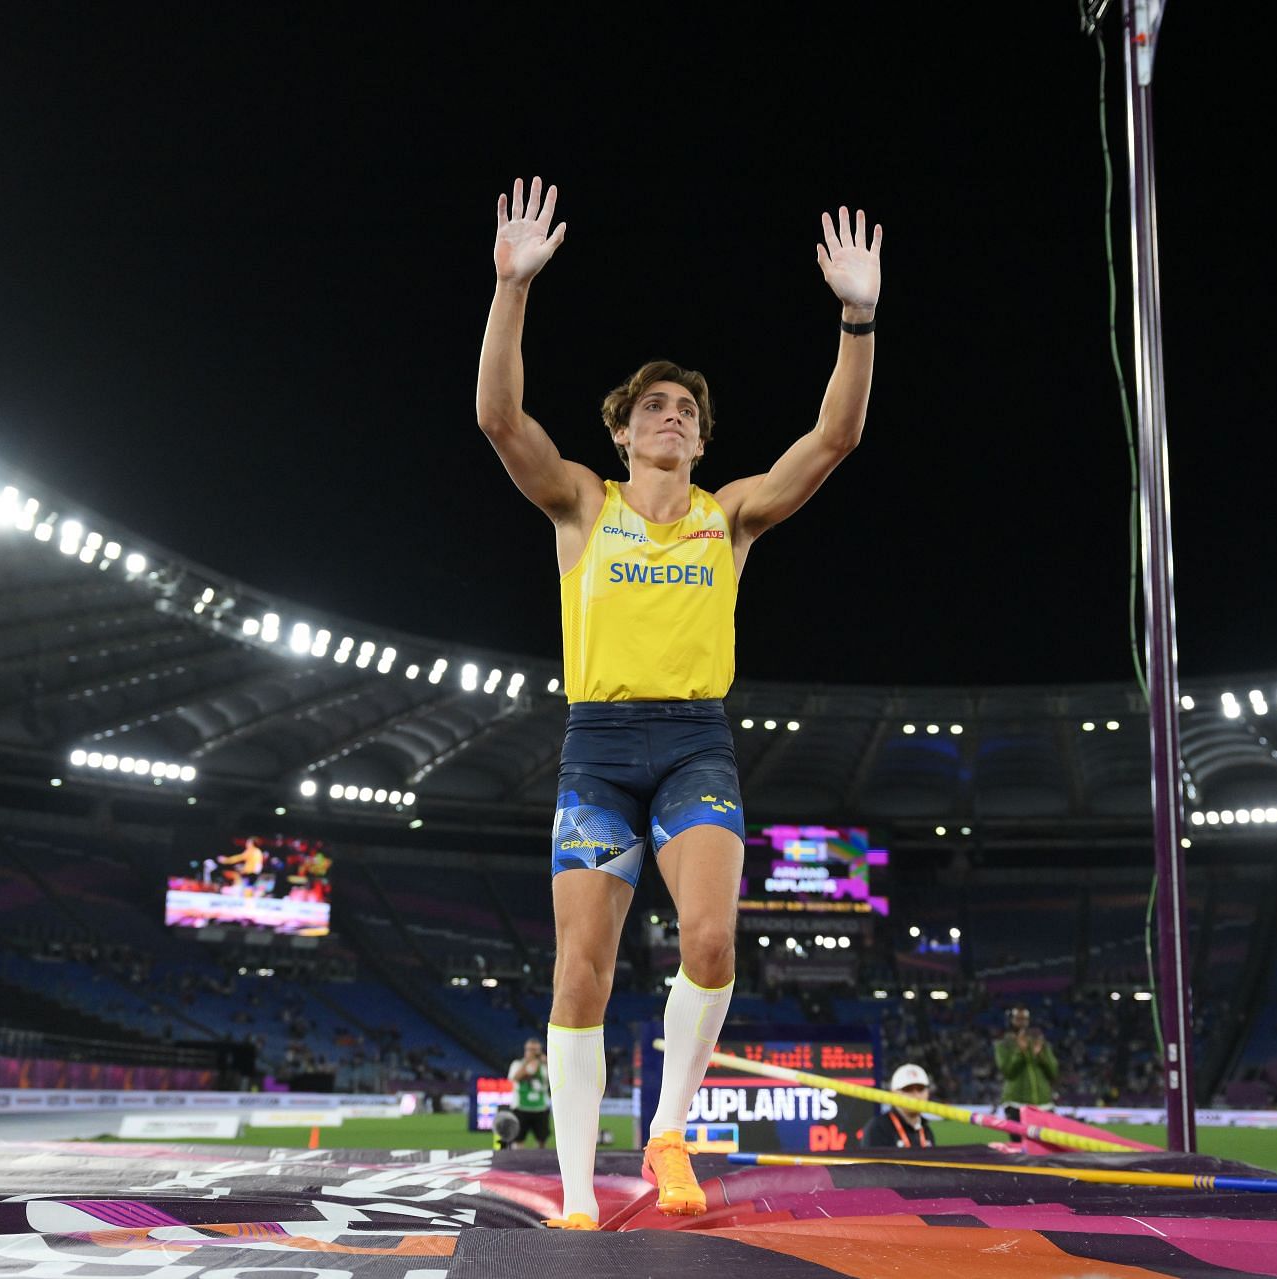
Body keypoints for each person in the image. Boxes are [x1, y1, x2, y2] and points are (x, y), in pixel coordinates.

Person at [476, 176, 881, 1231]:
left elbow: (833, 439)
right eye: (654, 405)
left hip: (694, 742)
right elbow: (496, 416)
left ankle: (667, 1130)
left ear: (702, 443)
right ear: (622, 432)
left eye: (687, 410)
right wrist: (512, 288)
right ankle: (572, 1187)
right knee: (582, 968)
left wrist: (858, 316)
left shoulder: (730, 515)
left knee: (709, 940)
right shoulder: (581, 503)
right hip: (597, 748)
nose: (672, 415)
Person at [995, 1006, 1060, 1107]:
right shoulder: (1004, 1045)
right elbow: (1008, 1072)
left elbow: (1054, 1072)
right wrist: (1020, 1052)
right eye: (1018, 1019)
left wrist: (1041, 1055)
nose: (1022, 1022)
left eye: (1025, 1019)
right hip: (1015, 1104)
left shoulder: (1041, 1043)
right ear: (1010, 1020)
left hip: (1043, 1104)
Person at [859, 1063, 935, 1148]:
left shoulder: (926, 1131)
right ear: (894, 1093)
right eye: (908, 1089)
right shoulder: (878, 1128)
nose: (916, 1095)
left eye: (920, 1089)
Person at [507, 1036, 552, 1148]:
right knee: (518, 1140)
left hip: (540, 1108)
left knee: (542, 1140)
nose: (533, 1053)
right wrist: (527, 1064)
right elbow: (515, 1078)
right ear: (525, 1050)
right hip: (521, 1107)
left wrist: (548, 1063)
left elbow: (555, 1081)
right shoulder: (517, 1064)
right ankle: (518, 1163)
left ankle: (540, 1162)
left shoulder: (545, 1066)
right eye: (530, 1050)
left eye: (535, 1050)